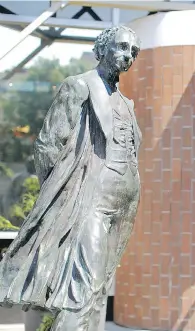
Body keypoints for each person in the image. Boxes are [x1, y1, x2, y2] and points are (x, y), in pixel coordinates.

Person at [0, 25, 141, 331]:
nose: (128, 55)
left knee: (97, 288)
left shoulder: (127, 104)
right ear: (101, 49)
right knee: (81, 286)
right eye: (121, 47)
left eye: (133, 51)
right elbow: (48, 144)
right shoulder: (79, 86)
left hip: (121, 205)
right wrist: (62, 193)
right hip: (86, 201)